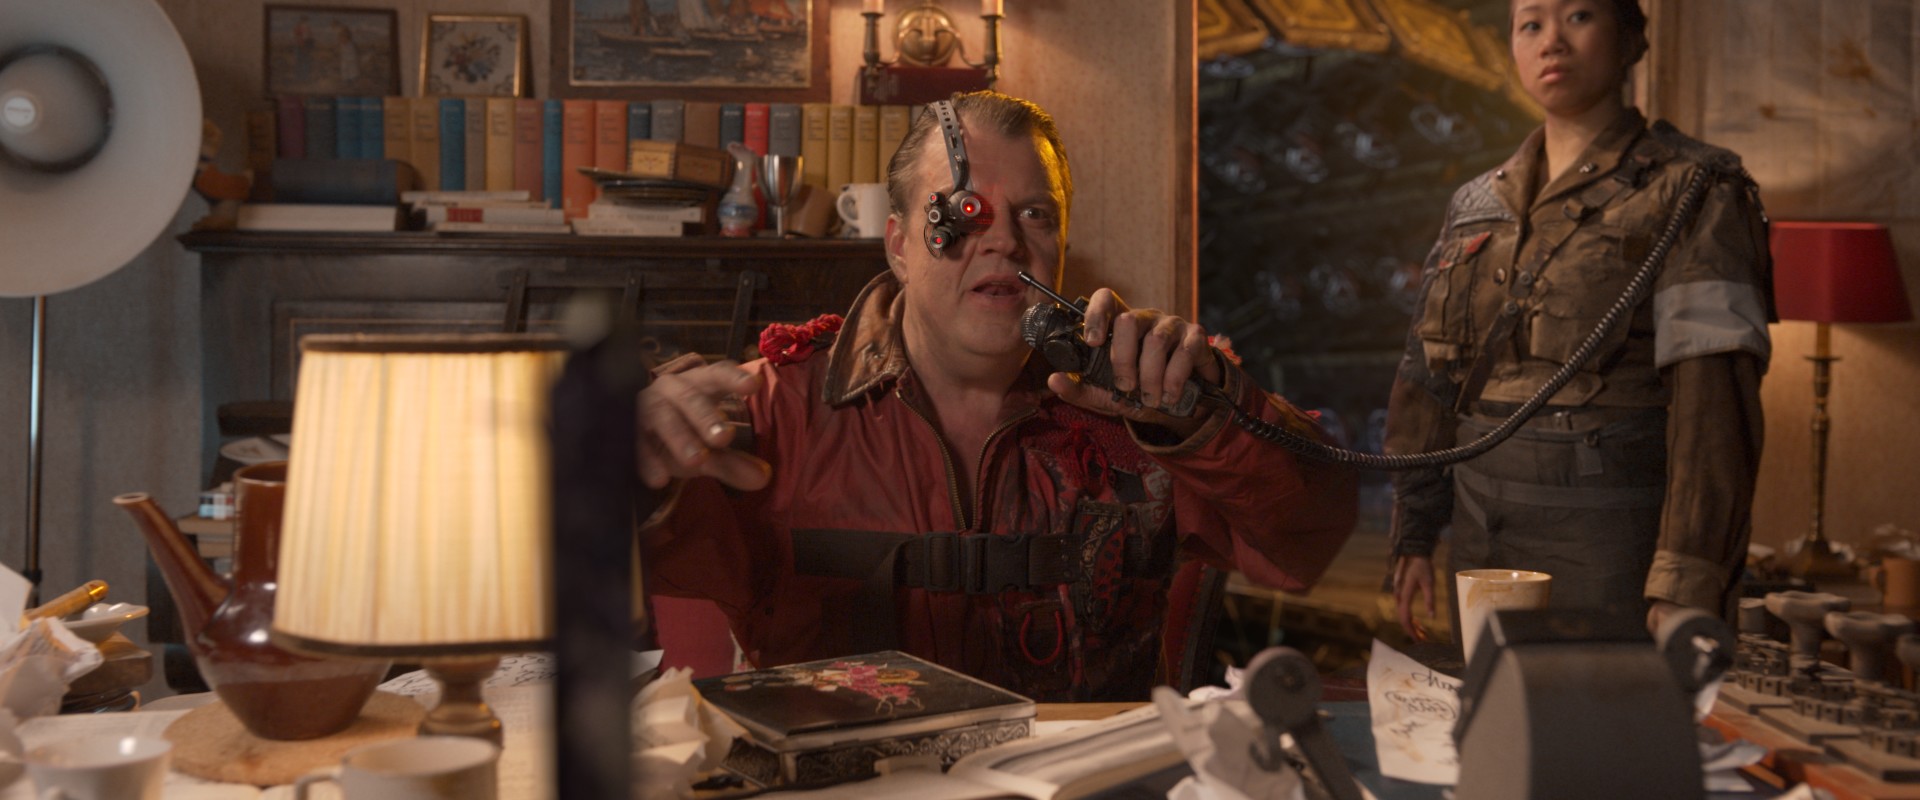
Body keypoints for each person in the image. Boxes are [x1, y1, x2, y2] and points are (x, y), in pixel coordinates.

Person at [638, 91, 1357, 701]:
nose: (1006, 243)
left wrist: (1208, 415)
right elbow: (597, 574)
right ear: (898, 245)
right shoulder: (776, 409)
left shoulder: (1141, 404)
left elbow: (1307, 542)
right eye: (966, 212)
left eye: (1036, 215)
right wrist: (614, 453)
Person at [1387, 0, 1772, 641]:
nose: (1552, 42)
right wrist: (1415, 532)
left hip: (1609, 539)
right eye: (1531, 24)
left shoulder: (1696, 187)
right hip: (1481, 529)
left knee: (1599, 704)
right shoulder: (1477, 204)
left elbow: (1714, 405)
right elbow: (1428, 375)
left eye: (1580, 16)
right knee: (1487, 700)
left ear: (1630, 38)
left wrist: (1686, 580)